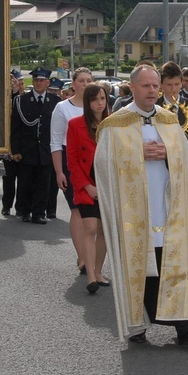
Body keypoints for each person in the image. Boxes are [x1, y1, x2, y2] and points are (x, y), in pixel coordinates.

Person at [95, 64, 188, 345]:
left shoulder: (169, 120)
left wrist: (168, 156)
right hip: (134, 211)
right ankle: (137, 324)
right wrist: (137, 154)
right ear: (133, 87)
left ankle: (186, 327)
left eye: (155, 85)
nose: (152, 90)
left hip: (167, 208)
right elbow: (102, 166)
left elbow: (186, 162)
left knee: (172, 263)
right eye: (146, 86)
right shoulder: (115, 124)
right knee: (142, 264)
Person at [67, 83, 110, 293]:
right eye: (95, 99)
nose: (100, 103)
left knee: (104, 231)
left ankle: (99, 271)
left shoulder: (112, 125)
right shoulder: (75, 125)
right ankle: (91, 276)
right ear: (88, 102)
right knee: (90, 228)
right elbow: (73, 161)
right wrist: (86, 186)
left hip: (108, 185)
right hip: (87, 185)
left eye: (103, 98)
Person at [51, 67, 92, 269]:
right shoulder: (62, 108)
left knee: (93, 215)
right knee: (77, 210)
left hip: (93, 163)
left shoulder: (98, 106)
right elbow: (56, 142)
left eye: (88, 80)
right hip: (71, 162)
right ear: (73, 83)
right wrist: (59, 171)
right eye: (81, 80)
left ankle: (93, 256)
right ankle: (82, 257)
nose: (85, 84)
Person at [10, 66, 61, 224]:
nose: (38, 83)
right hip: (27, 150)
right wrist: (16, 150)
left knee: (43, 184)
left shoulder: (55, 102)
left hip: (46, 150)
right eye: (36, 80)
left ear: (47, 83)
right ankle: (25, 211)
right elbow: (16, 127)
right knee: (25, 183)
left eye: (42, 80)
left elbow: (57, 130)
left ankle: (39, 212)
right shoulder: (22, 100)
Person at [156, 61, 188, 164]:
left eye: (177, 84)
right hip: (158, 163)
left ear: (182, 82)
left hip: (184, 162)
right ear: (161, 84)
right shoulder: (153, 106)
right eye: (169, 84)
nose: (173, 89)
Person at [1, 69, 25, 216]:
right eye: (17, 84)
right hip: (9, 145)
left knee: (23, 180)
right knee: (10, 178)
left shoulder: (26, 99)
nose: (20, 86)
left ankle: (20, 207)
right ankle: (6, 205)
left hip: (23, 145)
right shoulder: (6, 101)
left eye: (21, 84)